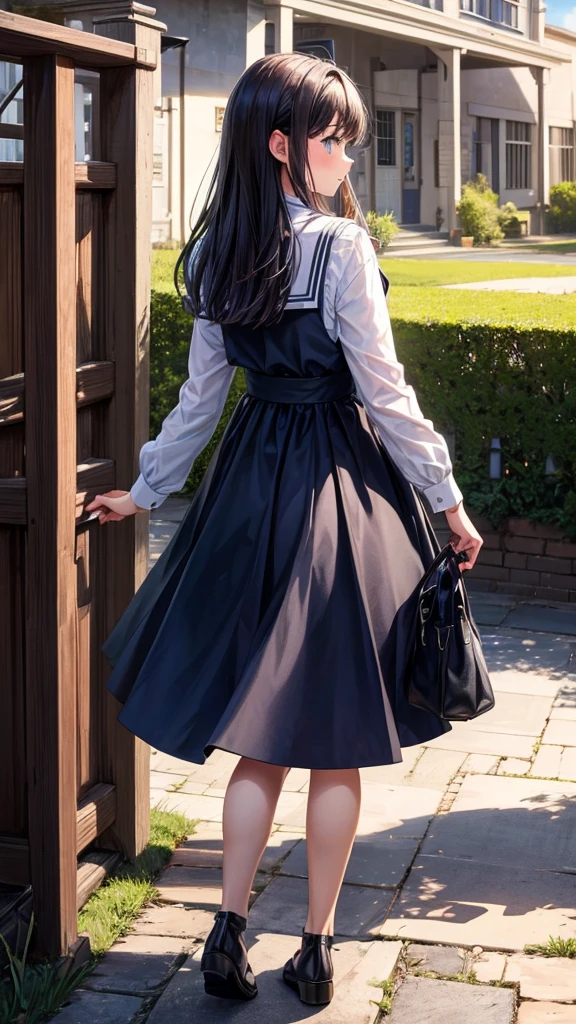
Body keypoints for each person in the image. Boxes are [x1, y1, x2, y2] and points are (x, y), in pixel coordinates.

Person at [86, 51, 482, 1009]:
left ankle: (224, 933)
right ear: (280, 144)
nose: (348, 156)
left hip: (250, 491)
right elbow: (385, 398)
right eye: (334, 138)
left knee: (261, 742)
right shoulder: (342, 250)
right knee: (335, 740)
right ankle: (311, 946)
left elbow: (200, 402)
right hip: (338, 493)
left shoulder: (219, 250)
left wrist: (148, 490)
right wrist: (448, 499)